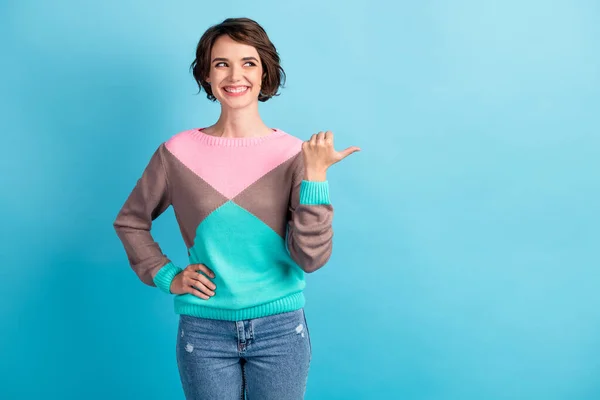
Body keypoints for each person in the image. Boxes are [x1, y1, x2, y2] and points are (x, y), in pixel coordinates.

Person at [113, 17, 360, 400]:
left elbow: (310, 258)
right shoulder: (176, 153)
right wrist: (168, 277)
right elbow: (131, 222)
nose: (234, 74)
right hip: (203, 332)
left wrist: (315, 177)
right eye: (221, 63)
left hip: (280, 332)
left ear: (265, 73)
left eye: (248, 62)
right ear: (207, 75)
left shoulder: (295, 154)